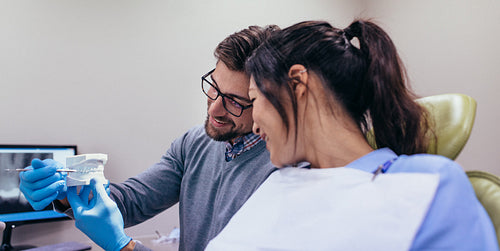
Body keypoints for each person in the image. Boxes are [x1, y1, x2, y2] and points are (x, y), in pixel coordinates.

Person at [205, 20, 499, 250]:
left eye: (255, 100)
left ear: (297, 83)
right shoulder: (278, 183)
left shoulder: (427, 182)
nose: (254, 125)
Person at [19, 25, 279, 251]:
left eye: (234, 101)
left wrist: (123, 245)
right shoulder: (194, 143)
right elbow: (132, 201)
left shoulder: (281, 170)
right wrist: (67, 191)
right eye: (214, 87)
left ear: (267, 101)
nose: (213, 109)